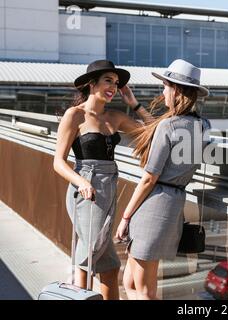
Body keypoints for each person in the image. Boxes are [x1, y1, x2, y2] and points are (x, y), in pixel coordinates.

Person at [53, 59, 153, 300]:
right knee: (90, 254)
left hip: (108, 187)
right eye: (108, 80)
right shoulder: (74, 116)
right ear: (91, 84)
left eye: (117, 83)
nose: (114, 87)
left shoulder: (115, 117)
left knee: (108, 265)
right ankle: (78, 294)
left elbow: (152, 130)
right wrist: (82, 182)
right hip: (86, 189)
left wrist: (134, 103)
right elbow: (58, 161)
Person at [115, 59, 210, 300]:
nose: (163, 91)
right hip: (172, 202)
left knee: (143, 288)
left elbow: (149, 178)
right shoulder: (203, 126)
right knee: (131, 282)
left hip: (154, 204)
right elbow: (160, 129)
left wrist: (125, 217)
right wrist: (135, 105)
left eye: (165, 86)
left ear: (176, 89)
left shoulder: (169, 126)